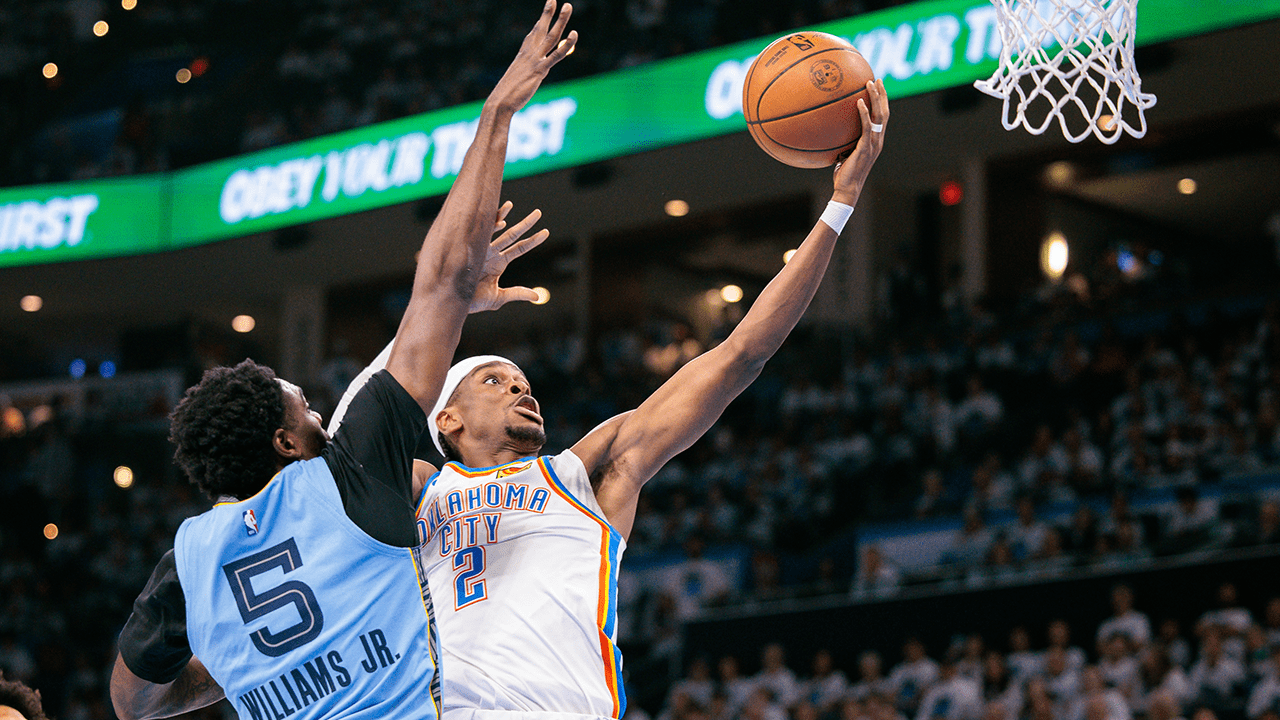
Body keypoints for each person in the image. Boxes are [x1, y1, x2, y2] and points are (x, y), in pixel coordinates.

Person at [337, 81, 890, 720]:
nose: (521, 388)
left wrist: (840, 205)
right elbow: (353, 431)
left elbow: (740, 356)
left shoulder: (584, 473)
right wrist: (454, 298)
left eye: (524, 382)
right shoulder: (416, 491)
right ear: (447, 419)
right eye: (495, 380)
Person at [107, 4, 577, 720]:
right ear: (286, 441)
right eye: (307, 409)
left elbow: (131, 702)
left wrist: (241, 676)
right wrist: (497, 113)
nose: (324, 414)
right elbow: (441, 279)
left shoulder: (191, 556)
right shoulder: (348, 474)